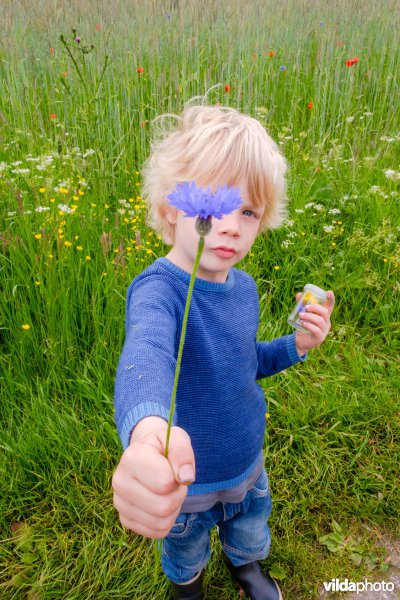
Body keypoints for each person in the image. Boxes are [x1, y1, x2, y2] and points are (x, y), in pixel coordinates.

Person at [112, 103, 335, 600]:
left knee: (250, 530)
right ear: (172, 207)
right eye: (214, 204)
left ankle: (247, 567)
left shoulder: (245, 287)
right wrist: (149, 430)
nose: (232, 225)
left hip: (245, 463)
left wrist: (295, 344)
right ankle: (186, 587)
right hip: (187, 483)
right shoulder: (159, 291)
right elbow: (144, 355)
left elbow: (244, 361)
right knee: (185, 550)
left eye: (249, 211)